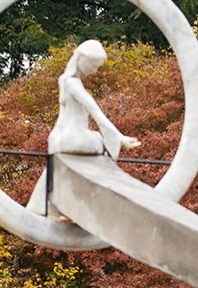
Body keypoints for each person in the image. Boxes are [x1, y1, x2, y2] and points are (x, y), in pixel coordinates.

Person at [26, 39, 140, 218]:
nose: (94, 71)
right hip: (71, 137)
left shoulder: (64, 80)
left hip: (58, 137)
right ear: (82, 59)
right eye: (94, 66)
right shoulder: (73, 84)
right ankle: (89, 204)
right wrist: (117, 136)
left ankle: (54, 208)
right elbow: (94, 110)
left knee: (58, 169)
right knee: (97, 141)